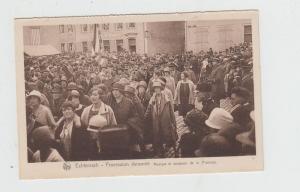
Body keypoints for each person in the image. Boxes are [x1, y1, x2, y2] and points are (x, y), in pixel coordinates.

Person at [81, 87, 117, 159]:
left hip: (104, 142)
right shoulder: (86, 110)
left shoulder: (108, 109)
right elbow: (83, 125)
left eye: (95, 95)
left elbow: (113, 126)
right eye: (91, 95)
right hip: (90, 142)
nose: (93, 97)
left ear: (100, 97)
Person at [144, 81, 178, 157]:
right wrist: (145, 118)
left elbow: (171, 111)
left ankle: (167, 148)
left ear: (161, 89)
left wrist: (173, 122)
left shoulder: (166, 99)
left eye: (158, 88)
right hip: (156, 120)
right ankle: (159, 150)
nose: (157, 90)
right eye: (155, 89)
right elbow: (148, 110)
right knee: (157, 135)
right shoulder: (152, 99)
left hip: (165, 120)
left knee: (166, 134)